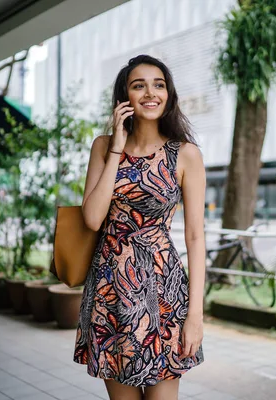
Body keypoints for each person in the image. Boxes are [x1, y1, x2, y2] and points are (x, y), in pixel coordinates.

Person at [74, 55, 206, 400]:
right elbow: (92, 218)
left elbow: (195, 236)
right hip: (110, 292)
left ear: (168, 94)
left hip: (163, 295)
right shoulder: (103, 147)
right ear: (124, 98)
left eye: (158, 84)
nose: (151, 93)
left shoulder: (185, 154)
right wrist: (117, 146)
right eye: (139, 85)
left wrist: (195, 315)